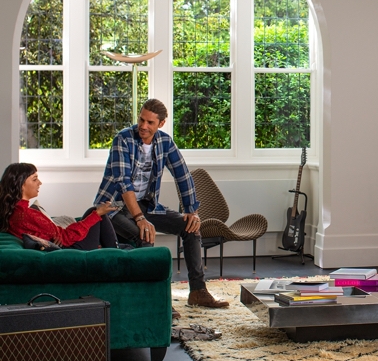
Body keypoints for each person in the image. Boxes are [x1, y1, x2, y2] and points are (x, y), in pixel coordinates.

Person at [94, 98, 228, 309]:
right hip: (113, 208)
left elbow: (183, 175)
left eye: (150, 123)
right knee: (144, 234)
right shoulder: (123, 139)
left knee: (191, 228)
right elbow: (124, 183)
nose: (143, 126)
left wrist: (192, 212)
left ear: (161, 124)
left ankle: (198, 291)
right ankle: (156, 299)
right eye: (141, 120)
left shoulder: (164, 142)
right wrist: (140, 219)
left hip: (147, 205)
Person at [0, 163, 119, 249]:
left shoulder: (16, 212)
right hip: (74, 249)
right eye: (35, 179)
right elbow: (66, 237)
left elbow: (55, 235)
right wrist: (97, 214)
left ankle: (115, 247)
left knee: (93, 212)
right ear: (21, 185)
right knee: (95, 212)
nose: (40, 183)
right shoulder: (26, 215)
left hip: (64, 244)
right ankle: (116, 252)